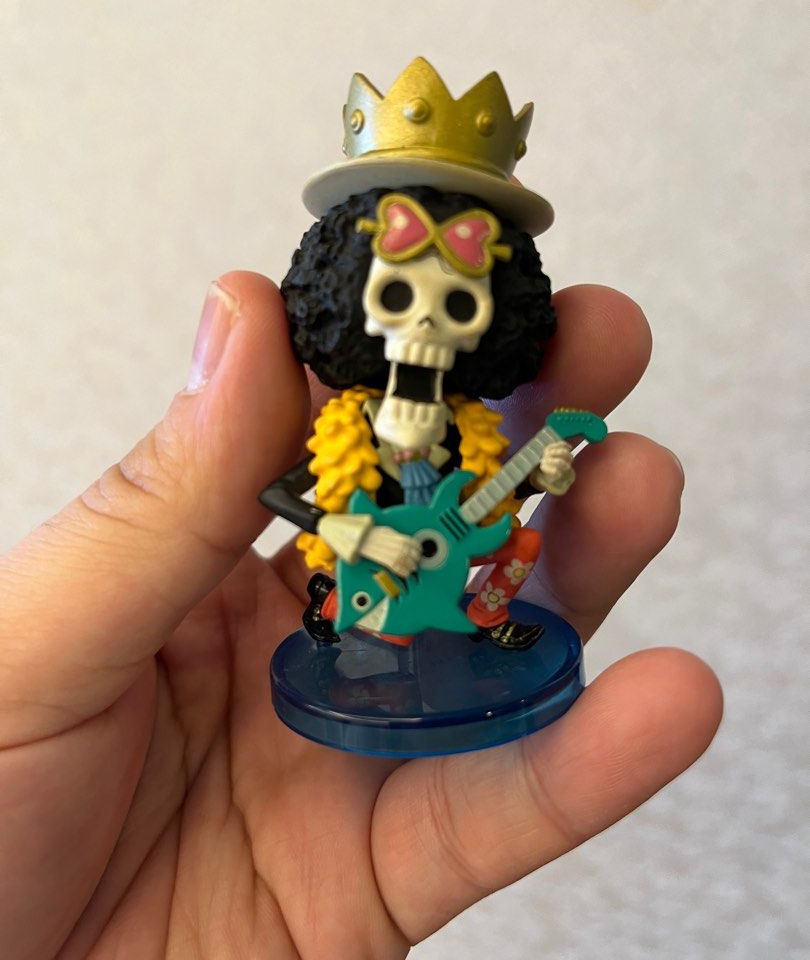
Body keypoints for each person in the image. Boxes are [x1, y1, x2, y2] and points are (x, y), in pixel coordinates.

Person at [0, 270, 722, 958]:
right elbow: (282, 494)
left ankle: (485, 615)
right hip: (370, 562)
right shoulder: (348, 424)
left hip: (446, 552)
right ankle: (355, 617)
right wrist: (359, 536)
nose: (427, 335)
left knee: (525, 540)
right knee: (377, 633)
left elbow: (492, 500)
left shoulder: (468, 424)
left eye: (454, 312)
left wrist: (545, 468)